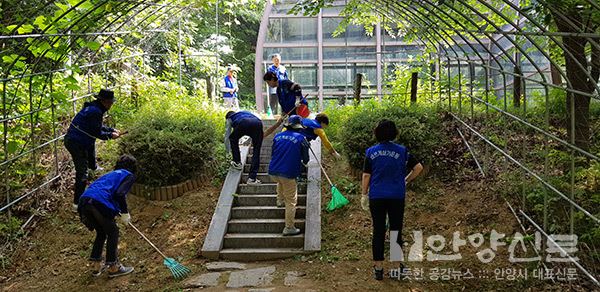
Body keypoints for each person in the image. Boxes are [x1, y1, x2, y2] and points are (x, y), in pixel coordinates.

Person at [360, 120, 423, 280]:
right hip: (396, 196)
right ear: (394, 133)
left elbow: (367, 175)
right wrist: (406, 180)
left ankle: (379, 268)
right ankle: (396, 267)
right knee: (396, 230)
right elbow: (418, 168)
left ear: (377, 133)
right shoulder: (402, 151)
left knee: (378, 231)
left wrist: (363, 194)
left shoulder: (371, 152)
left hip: (377, 196)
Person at [78, 154, 137, 278]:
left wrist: (116, 210)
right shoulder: (128, 175)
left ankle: (95, 265)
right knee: (113, 231)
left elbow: (110, 193)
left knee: (101, 232)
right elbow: (120, 194)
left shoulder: (110, 175)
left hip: (84, 201)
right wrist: (125, 212)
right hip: (98, 201)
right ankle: (113, 267)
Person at [65, 89, 122, 212]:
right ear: (105, 101)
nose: (111, 105)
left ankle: (94, 167)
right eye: (111, 103)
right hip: (76, 143)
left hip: (79, 139)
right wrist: (110, 135)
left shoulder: (93, 107)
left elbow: (96, 126)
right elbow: (97, 132)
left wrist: (112, 129)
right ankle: (77, 204)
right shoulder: (95, 112)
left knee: (90, 145)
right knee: (82, 172)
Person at [268, 115, 309, 236]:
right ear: (298, 127)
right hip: (288, 172)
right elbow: (306, 159)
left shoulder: (278, 136)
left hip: (273, 171)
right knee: (291, 201)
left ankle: (279, 200)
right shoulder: (301, 138)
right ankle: (289, 227)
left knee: (280, 181)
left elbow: (272, 152)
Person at [225, 111, 264, 184]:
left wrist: (228, 152)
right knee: (256, 151)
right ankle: (252, 179)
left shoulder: (230, 118)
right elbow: (252, 122)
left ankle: (237, 162)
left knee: (233, 139)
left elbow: (227, 135)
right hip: (258, 123)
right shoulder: (244, 112)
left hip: (244, 123)